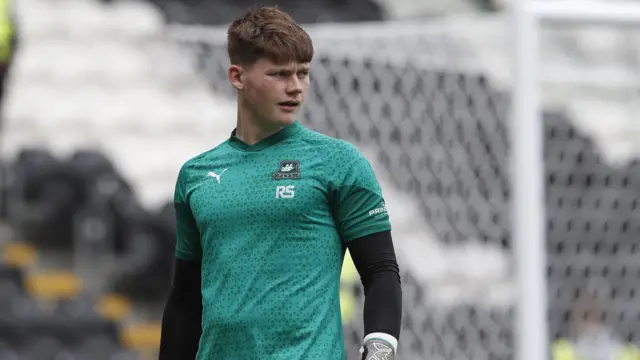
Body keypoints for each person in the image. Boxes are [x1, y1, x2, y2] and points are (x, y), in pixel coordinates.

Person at [158, 6, 402, 360]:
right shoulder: (196, 175)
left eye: (303, 74)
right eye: (279, 74)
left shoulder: (339, 163)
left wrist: (380, 348)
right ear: (237, 77)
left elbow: (381, 271)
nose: (296, 88)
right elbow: (184, 298)